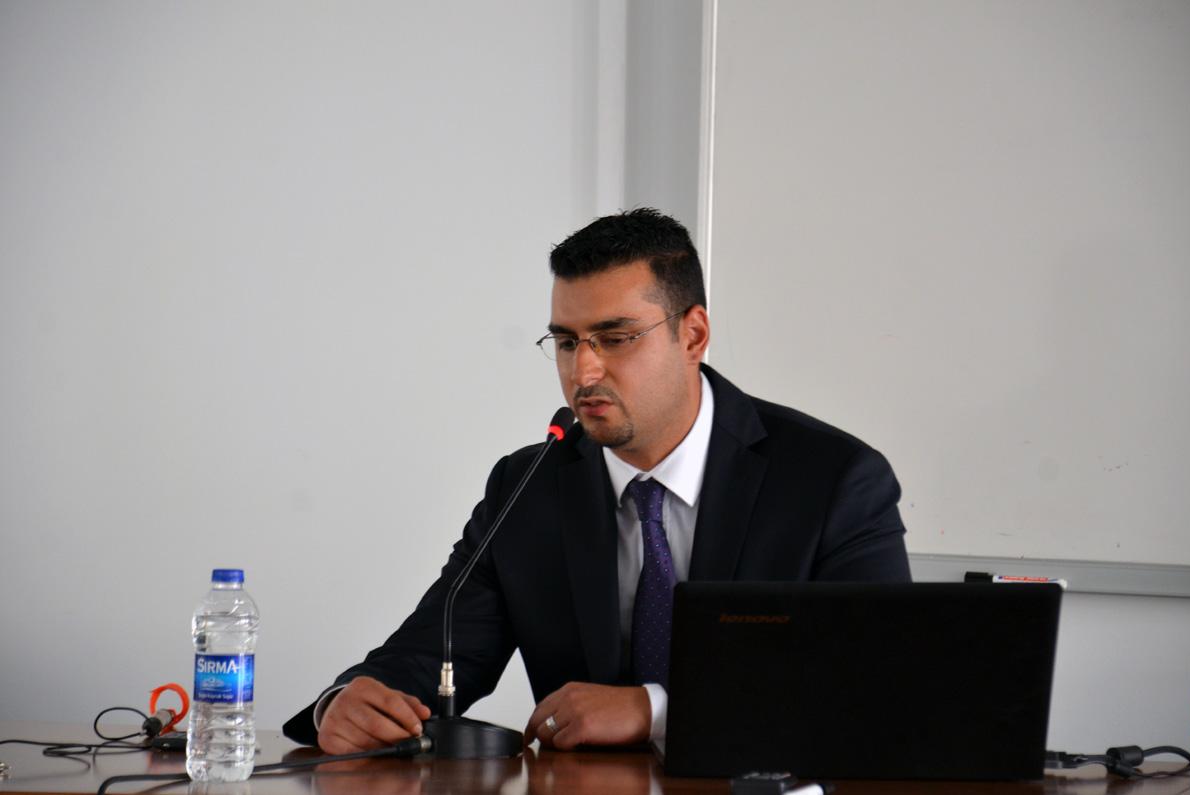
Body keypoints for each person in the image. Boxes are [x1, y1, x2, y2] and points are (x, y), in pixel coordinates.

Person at [283, 208, 911, 753]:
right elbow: (434, 655)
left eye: (615, 338)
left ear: (693, 335)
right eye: (566, 342)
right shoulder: (528, 485)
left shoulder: (833, 481)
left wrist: (654, 709)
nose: (583, 372)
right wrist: (343, 704)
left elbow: (876, 684)